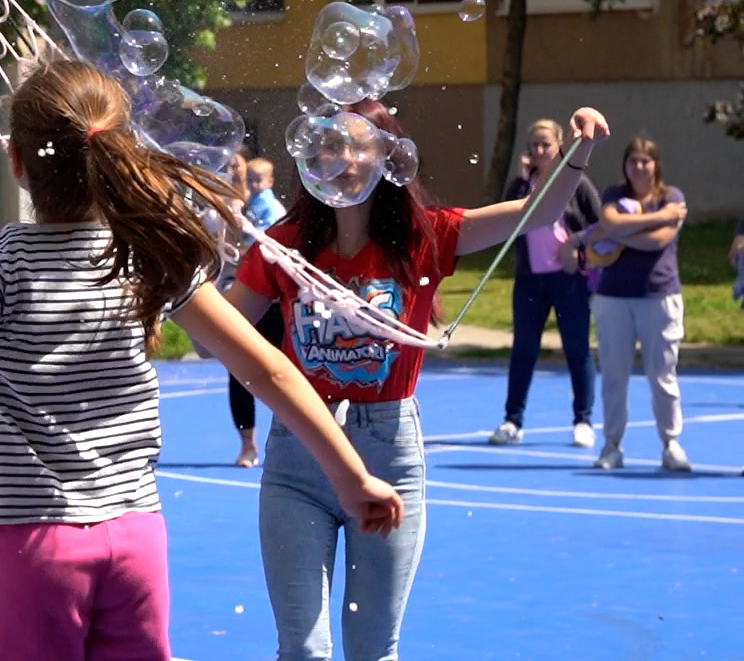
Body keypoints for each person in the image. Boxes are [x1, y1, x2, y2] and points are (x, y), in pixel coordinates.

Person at [0, 59, 403, 661]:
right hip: (136, 541)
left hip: (35, 545)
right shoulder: (145, 258)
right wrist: (351, 476)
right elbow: (268, 368)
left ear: (17, 162)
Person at [226, 98, 607, 661]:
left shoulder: (425, 236)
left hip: (390, 452)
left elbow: (538, 212)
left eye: (360, 144)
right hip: (298, 455)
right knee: (301, 649)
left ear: (389, 159)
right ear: (312, 159)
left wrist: (582, 151)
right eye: (332, 144)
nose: (345, 157)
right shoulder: (285, 243)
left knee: (372, 648)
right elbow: (224, 330)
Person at [490, 119, 602, 449]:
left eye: (546, 145)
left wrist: (576, 244)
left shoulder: (577, 183)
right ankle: (513, 420)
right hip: (530, 281)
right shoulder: (521, 186)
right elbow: (505, 219)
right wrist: (526, 181)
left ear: (559, 148)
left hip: (568, 280)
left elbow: (602, 224)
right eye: (535, 145)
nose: (540, 151)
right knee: (524, 349)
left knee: (576, 349)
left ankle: (583, 419)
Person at [589, 137, 690, 472]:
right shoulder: (613, 196)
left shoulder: (672, 197)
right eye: (633, 160)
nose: (639, 166)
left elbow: (659, 241)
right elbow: (610, 221)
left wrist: (617, 232)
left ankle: (671, 444)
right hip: (613, 298)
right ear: (625, 165)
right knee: (614, 377)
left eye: (645, 161)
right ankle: (612, 446)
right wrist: (657, 217)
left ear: (655, 164)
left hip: (659, 297)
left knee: (662, 375)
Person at [230, 155, 290, 467]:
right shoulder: (244, 205)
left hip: (271, 302)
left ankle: (292, 436)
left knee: (283, 368)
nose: (252, 184)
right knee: (238, 371)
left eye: (258, 179)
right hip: (245, 294)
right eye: (248, 178)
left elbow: (262, 246)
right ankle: (248, 444)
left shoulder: (272, 209)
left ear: (270, 181)